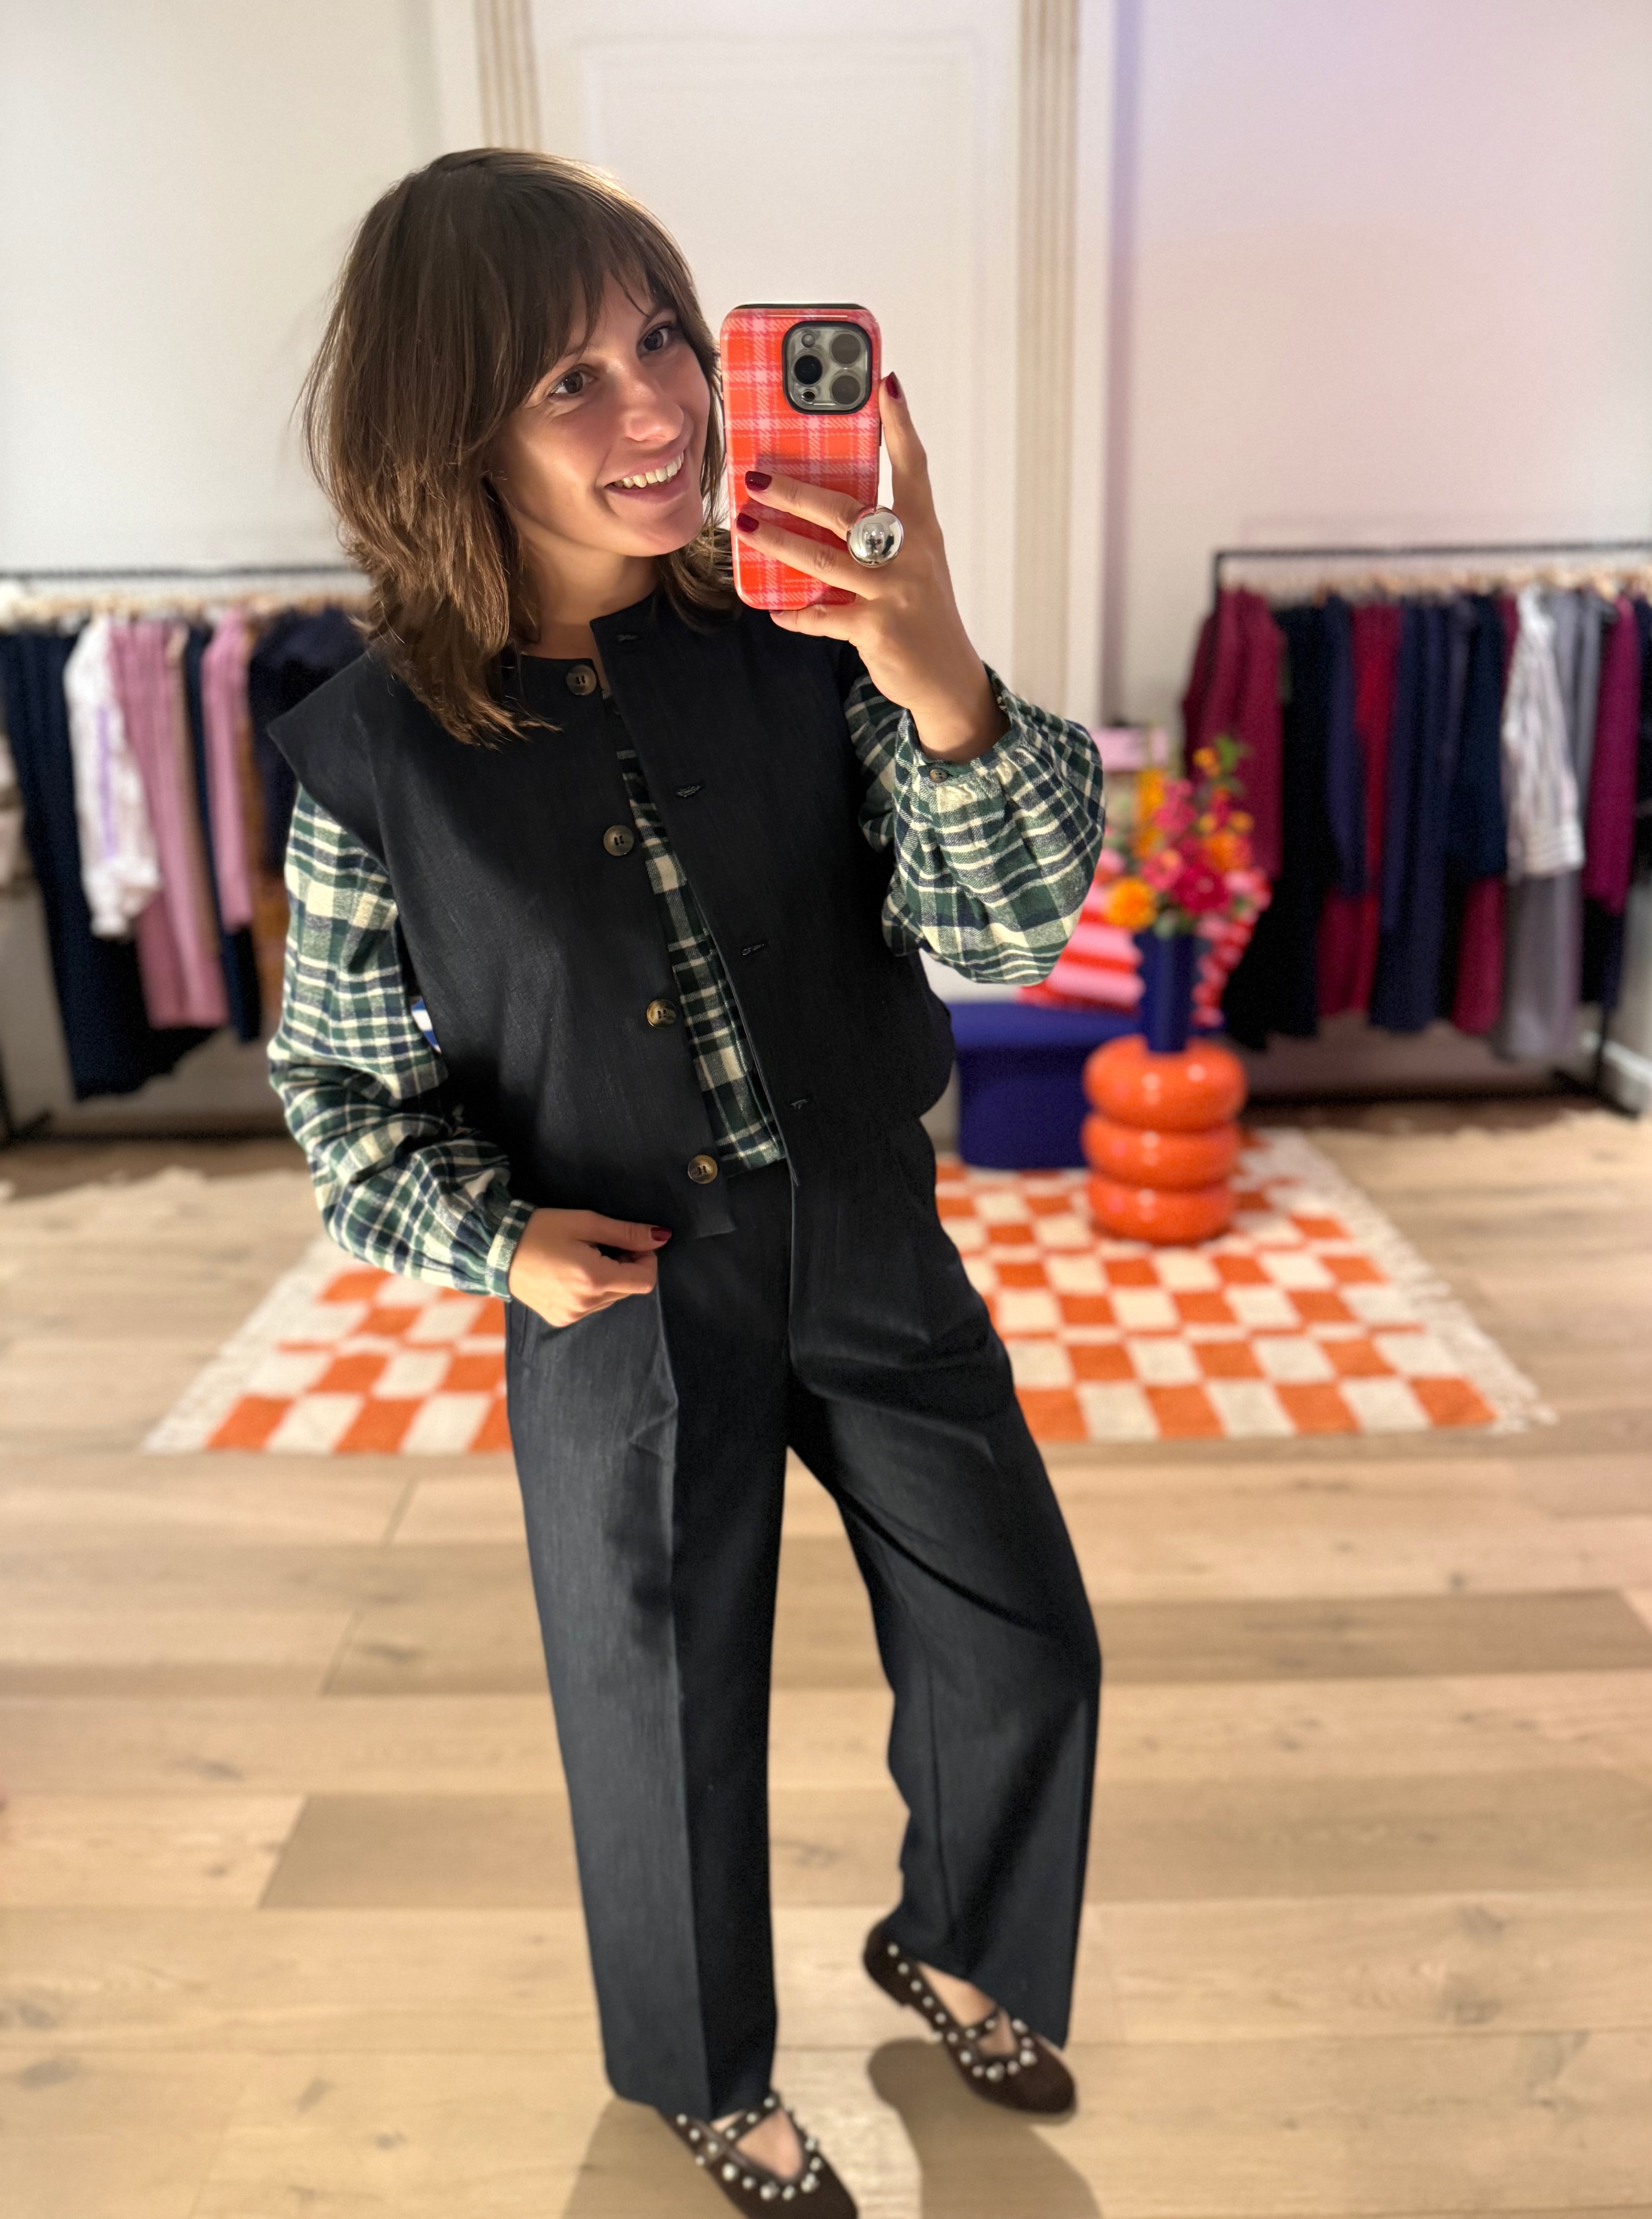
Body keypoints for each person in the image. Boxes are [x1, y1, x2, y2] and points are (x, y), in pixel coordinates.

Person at [268, 148, 1104, 2218]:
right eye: (570, 380)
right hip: (621, 1299)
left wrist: (938, 659)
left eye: (665, 339)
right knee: (655, 1715)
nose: (657, 412)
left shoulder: (812, 634)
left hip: (872, 1237)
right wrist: (496, 1241)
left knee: (1024, 1644)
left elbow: (1010, 939)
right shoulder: (374, 755)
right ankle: (703, 2076)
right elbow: (343, 1101)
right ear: (447, 430)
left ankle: (962, 1944)